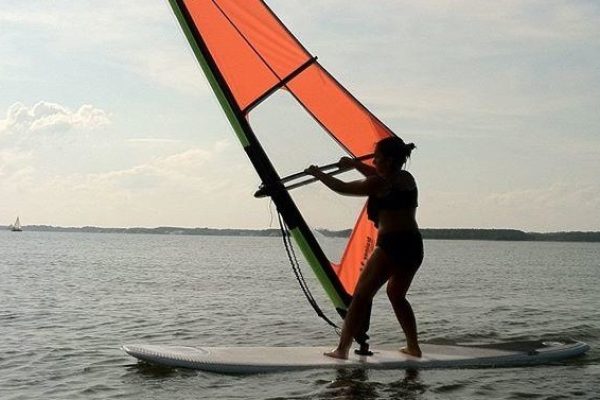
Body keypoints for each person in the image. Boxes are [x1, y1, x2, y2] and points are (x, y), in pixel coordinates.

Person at [304, 136, 424, 359]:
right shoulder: (406, 178)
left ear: (387, 161)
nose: (374, 163)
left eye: (376, 159)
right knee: (396, 295)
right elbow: (379, 177)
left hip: (392, 245)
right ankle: (413, 346)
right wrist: (354, 164)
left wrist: (317, 173)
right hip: (414, 246)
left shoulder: (378, 184)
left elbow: (342, 187)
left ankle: (342, 350)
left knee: (360, 296)